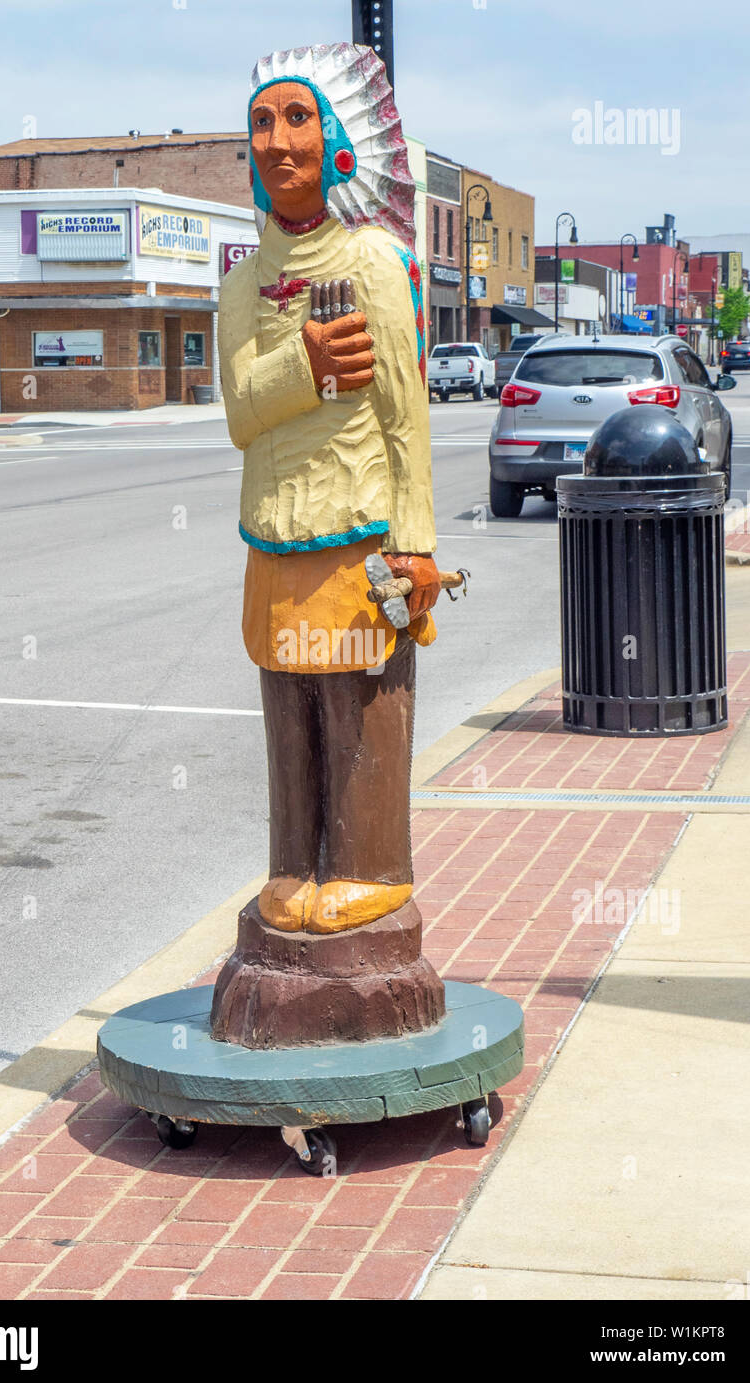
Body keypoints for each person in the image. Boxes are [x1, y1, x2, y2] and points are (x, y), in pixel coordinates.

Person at [219, 42, 440, 937]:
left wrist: (416, 540)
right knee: (289, 709)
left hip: (358, 532)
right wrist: (301, 364)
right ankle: (292, 858)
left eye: (298, 118)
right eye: (262, 123)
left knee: (357, 709)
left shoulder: (379, 265)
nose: (278, 142)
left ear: (340, 141)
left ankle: (370, 864)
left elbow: (405, 416)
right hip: (274, 534)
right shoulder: (241, 283)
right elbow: (240, 409)